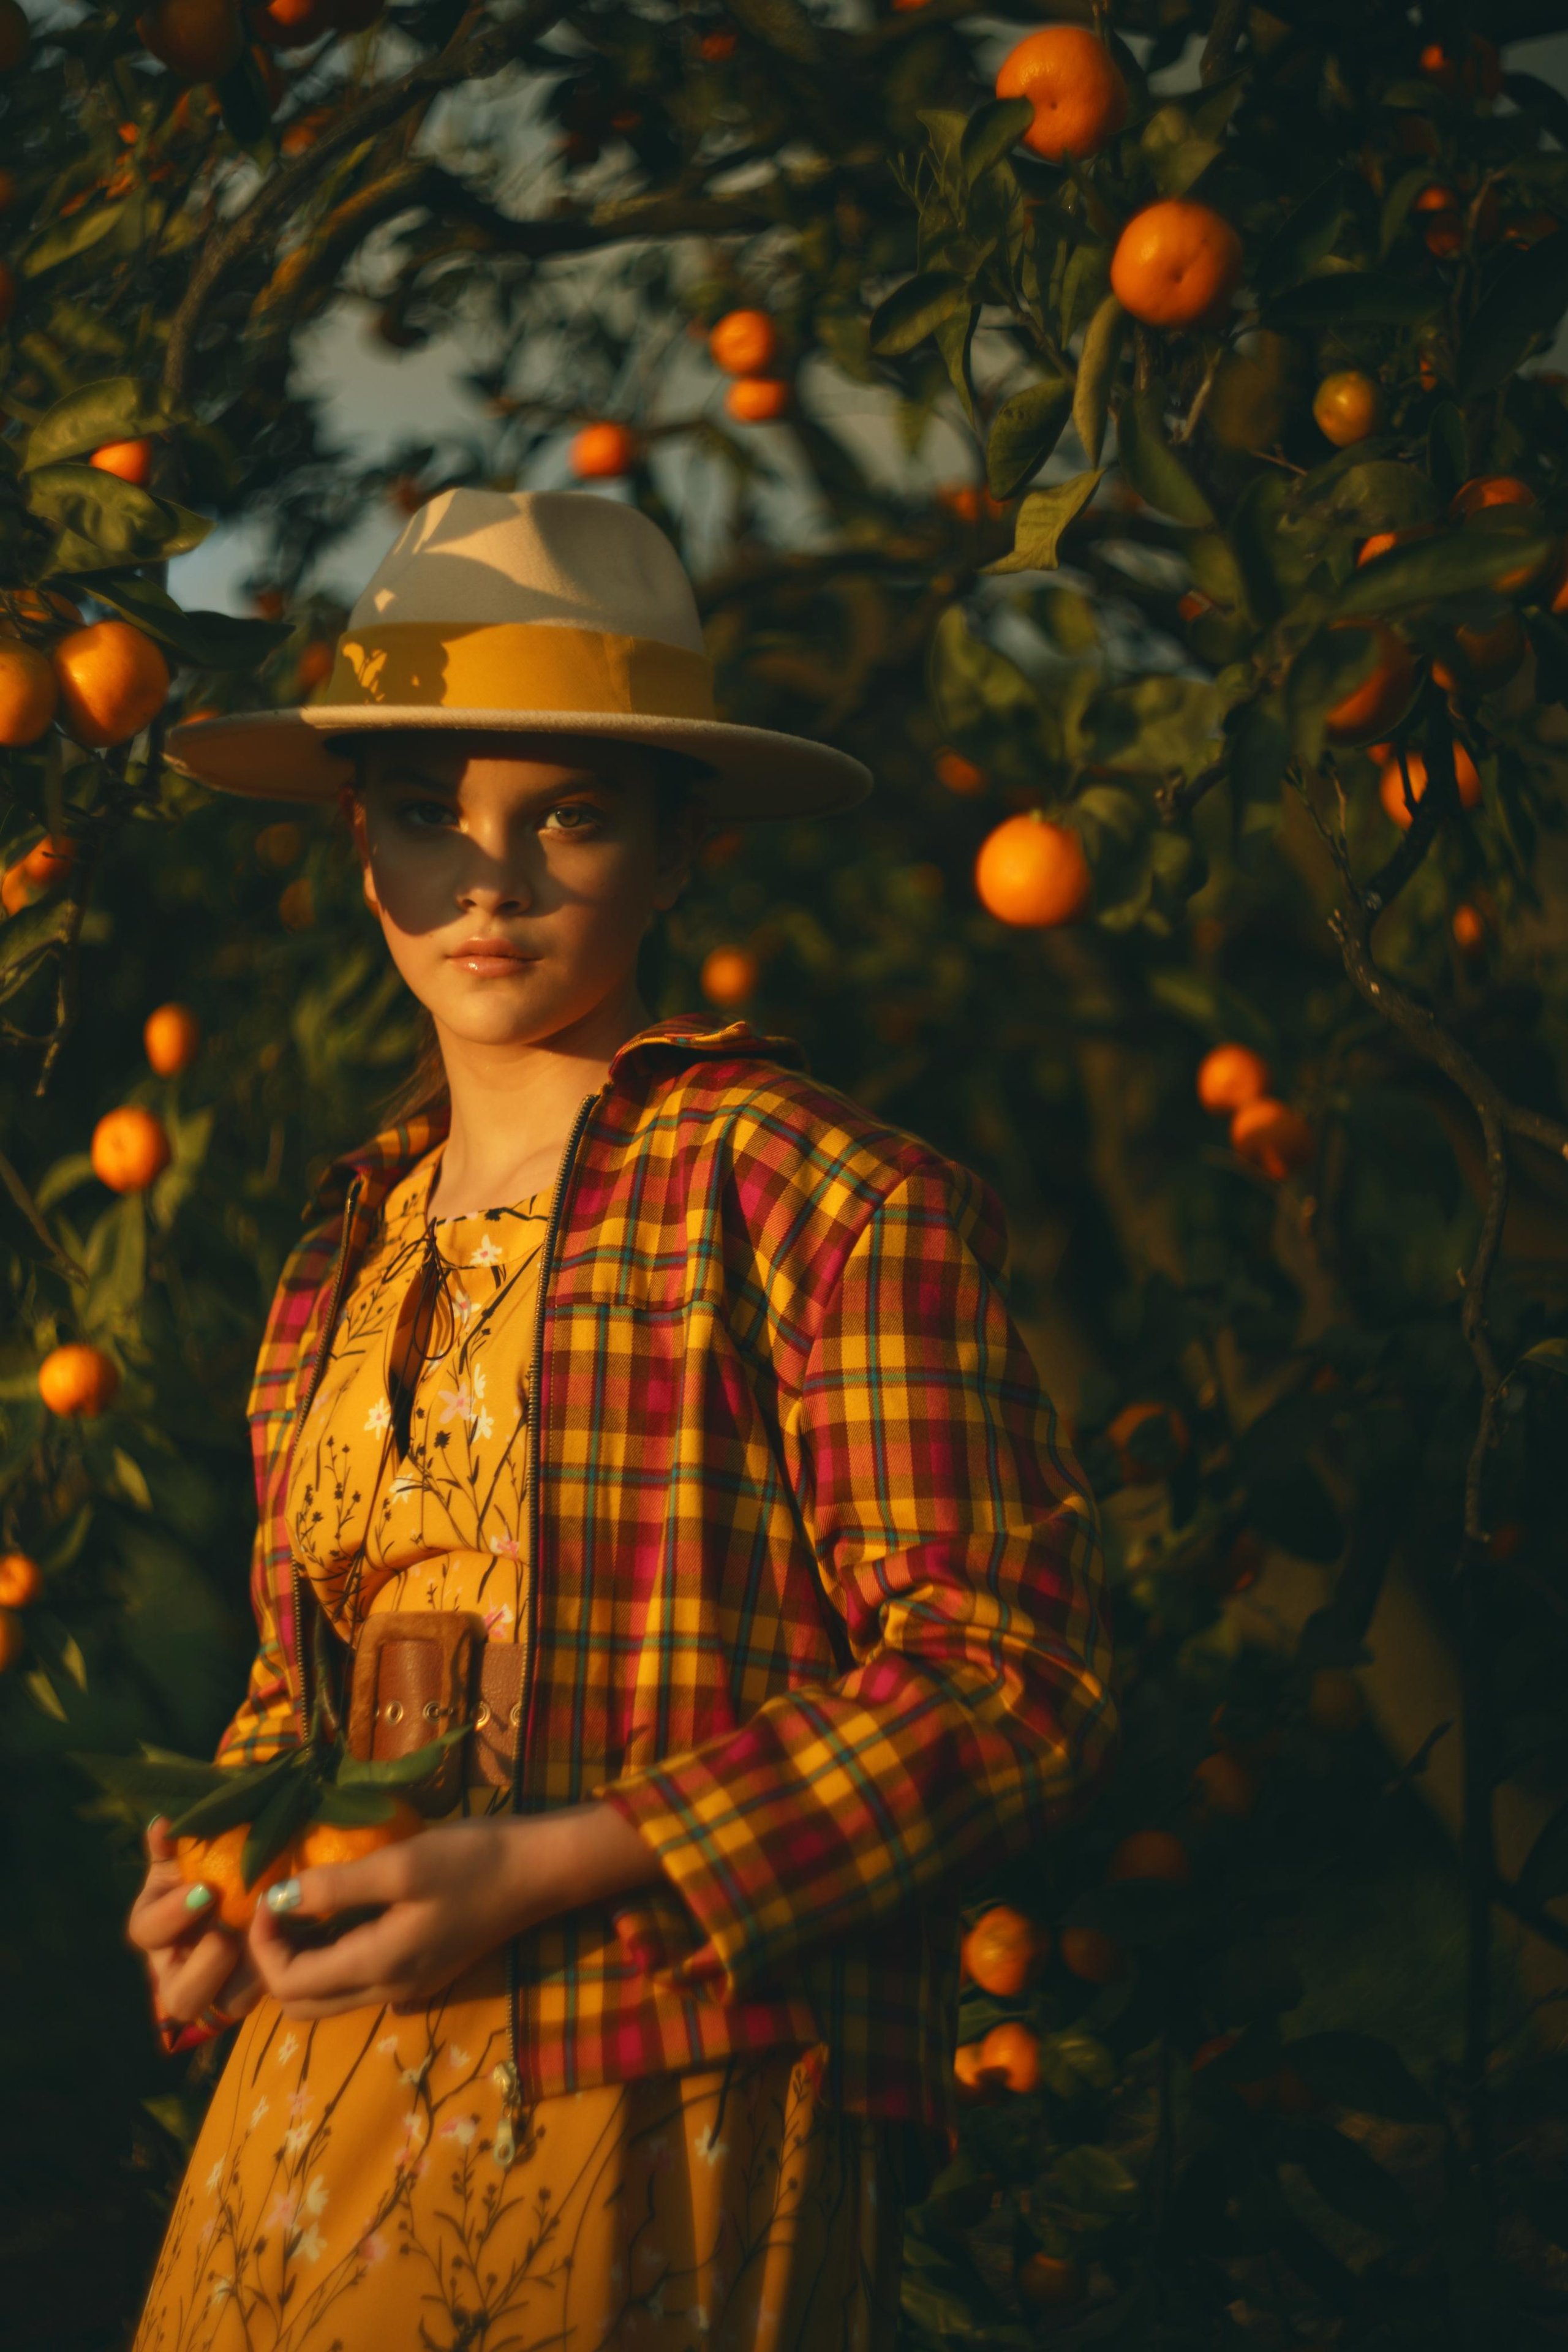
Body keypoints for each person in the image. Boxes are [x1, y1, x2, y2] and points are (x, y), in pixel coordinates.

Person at [128, 489, 1114, 2352]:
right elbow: (301, 1705)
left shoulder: (813, 1197)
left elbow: (1013, 1680)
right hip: (300, 2120)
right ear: (361, 853)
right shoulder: (337, 1262)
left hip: (652, 2085)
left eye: (564, 814)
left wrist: (557, 1858)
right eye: (429, 816)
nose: (485, 881)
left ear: (686, 849)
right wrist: (216, 1866)